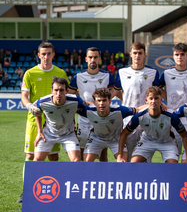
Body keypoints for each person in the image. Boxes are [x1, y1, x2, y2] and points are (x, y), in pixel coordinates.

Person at [18, 42, 68, 203]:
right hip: (34, 121)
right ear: (38, 55)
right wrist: (30, 106)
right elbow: (24, 96)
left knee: (53, 156)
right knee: (31, 155)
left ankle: (55, 189)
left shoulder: (60, 72)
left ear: (54, 54)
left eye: (49, 53)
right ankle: (26, 191)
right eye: (43, 54)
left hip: (54, 123)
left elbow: (66, 94)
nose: (46, 57)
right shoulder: (30, 73)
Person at [117, 86, 187, 163]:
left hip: (167, 142)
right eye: (151, 98)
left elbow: (184, 135)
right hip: (147, 141)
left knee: (172, 166)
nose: (153, 101)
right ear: (146, 100)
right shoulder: (139, 115)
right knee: (134, 162)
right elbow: (124, 134)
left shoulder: (171, 115)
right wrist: (119, 156)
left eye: (156, 98)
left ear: (161, 100)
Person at [113, 41, 160, 159]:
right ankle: (128, 177)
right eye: (135, 53)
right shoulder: (122, 72)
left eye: (140, 53)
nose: (137, 56)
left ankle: (144, 178)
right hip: (128, 117)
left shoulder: (153, 72)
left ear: (145, 54)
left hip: (147, 116)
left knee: (145, 155)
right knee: (128, 154)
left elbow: (158, 93)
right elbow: (115, 91)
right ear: (130, 54)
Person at [69, 47, 117, 161]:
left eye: (95, 57)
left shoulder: (107, 76)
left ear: (99, 59)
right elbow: (70, 95)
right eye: (90, 57)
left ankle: (102, 177)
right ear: (86, 59)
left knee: (103, 152)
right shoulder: (78, 77)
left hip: (101, 118)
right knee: (81, 150)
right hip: (84, 119)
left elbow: (115, 91)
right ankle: (82, 176)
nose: (93, 59)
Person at [79, 88, 150, 162]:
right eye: (99, 101)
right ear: (94, 102)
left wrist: (154, 105)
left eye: (104, 100)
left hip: (116, 139)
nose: (101, 103)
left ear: (109, 102)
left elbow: (137, 109)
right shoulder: (88, 110)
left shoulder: (119, 110)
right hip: (97, 138)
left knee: (123, 162)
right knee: (86, 162)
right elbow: (73, 107)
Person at [159, 43, 187, 155]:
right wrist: (166, 97)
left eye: (182, 54)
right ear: (173, 56)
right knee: (174, 152)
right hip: (173, 115)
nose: (179, 57)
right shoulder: (166, 73)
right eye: (177, 54)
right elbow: (157, 89)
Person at [33, 77, 83, 162]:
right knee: (37, 160)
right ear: (52, 91)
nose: (58, 93)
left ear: (67, 91)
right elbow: (36, 112)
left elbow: (83, 110)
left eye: (61, 90)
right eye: (56, 90)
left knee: (76, 161)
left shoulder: (76, 101)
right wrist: (40, 132)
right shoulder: (42, 102)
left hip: (69, 134)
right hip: (48, 134)